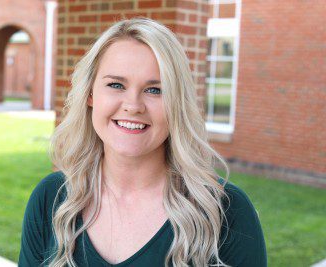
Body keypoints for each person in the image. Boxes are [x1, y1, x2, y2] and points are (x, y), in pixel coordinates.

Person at [19, 18, 267, 267]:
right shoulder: (51, 198)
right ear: (91, 94)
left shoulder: (226, 212)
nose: (133, 106)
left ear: (176, 104)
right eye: (116, 85)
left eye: (155, 90)